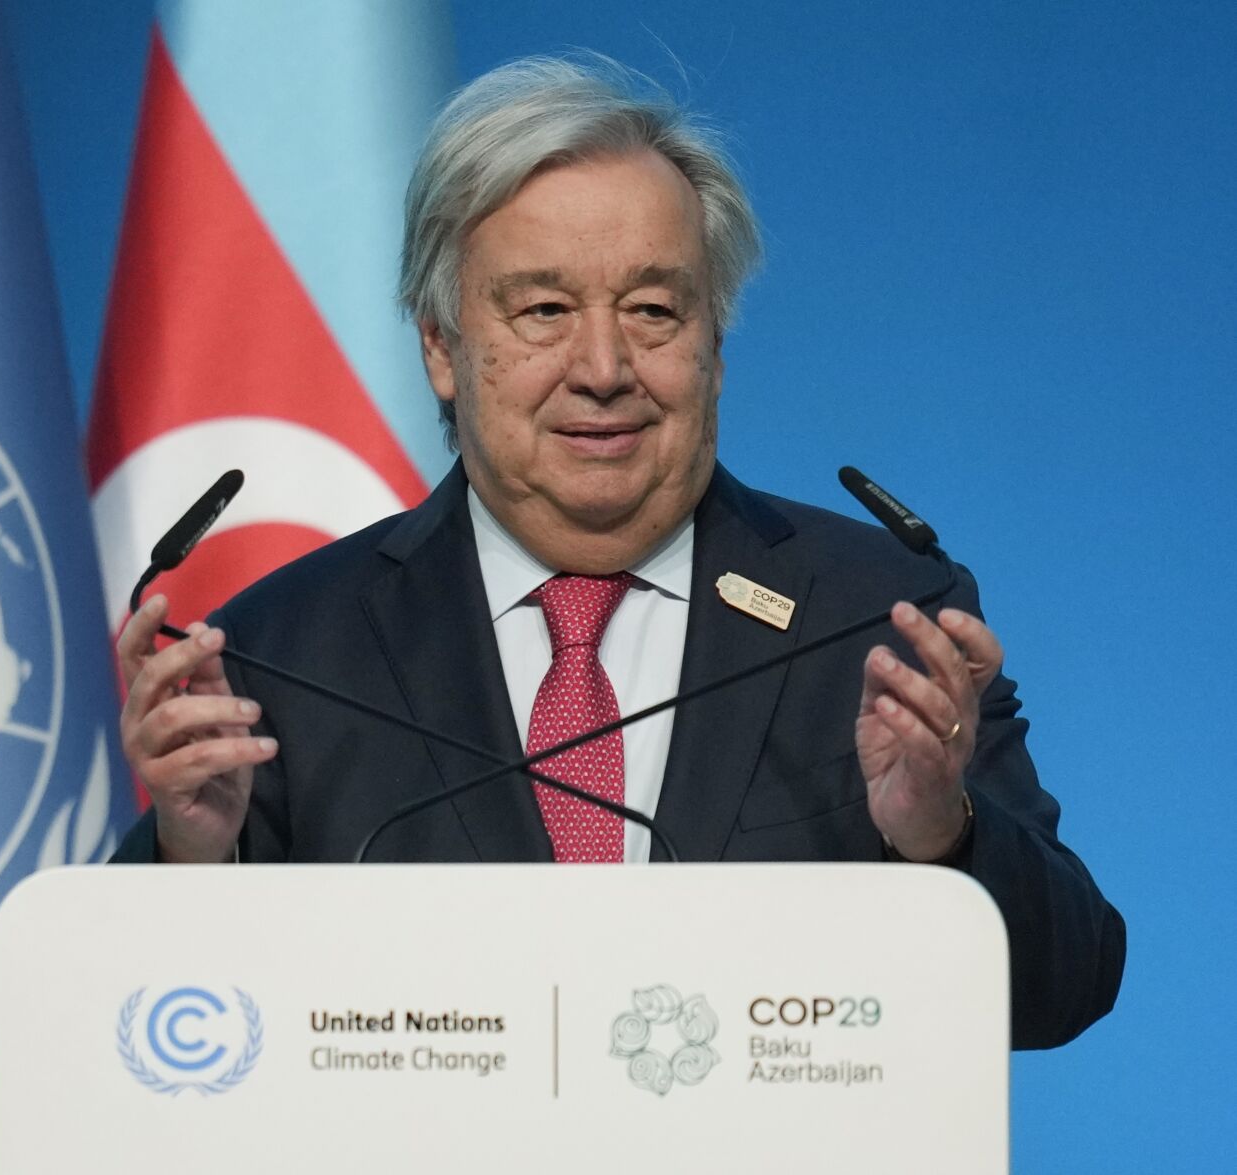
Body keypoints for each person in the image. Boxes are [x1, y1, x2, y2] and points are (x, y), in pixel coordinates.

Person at [109, 54, 1123, 1049]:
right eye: (543, 310)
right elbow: (147, 1045)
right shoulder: (282, 654)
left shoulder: (872, 616)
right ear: (440, 347)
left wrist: (938, 835)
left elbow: (1063, 986)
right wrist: (196, 863)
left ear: (712, 346)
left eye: (651, 310)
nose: (602, 368)